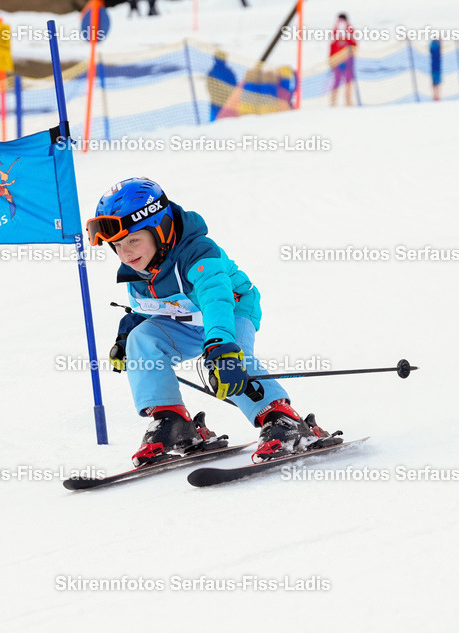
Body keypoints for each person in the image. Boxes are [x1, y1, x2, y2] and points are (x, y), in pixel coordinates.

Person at [87, 178, 341, 468]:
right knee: (142, 340)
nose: (125, 253)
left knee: (228, 361)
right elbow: (151, 309)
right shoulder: (137, 268)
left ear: (161, 229)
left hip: (231, 310)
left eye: (133, 240)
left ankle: (280, 418)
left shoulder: (198, 252)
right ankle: (172, 421)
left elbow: (216, 298)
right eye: (117, 245)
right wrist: (126, 336)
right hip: (185, 320)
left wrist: (221, 345)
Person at [329, 13, 357, 106]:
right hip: (345, 59)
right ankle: (345, 101)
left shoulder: (337, 29)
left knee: (338, 81)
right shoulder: (348, 29)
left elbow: (332, 46)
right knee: (346, 81)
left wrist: (331, 59)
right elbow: (354, 44)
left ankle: (335, 101)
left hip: (339, 59)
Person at [206, 50, 237, 121]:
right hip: (226, 100)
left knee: (216, 120)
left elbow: (209, 87)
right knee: (228, 119)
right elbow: (234, 86)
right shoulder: (228, 72)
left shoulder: (212, 71)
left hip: (217, 100)